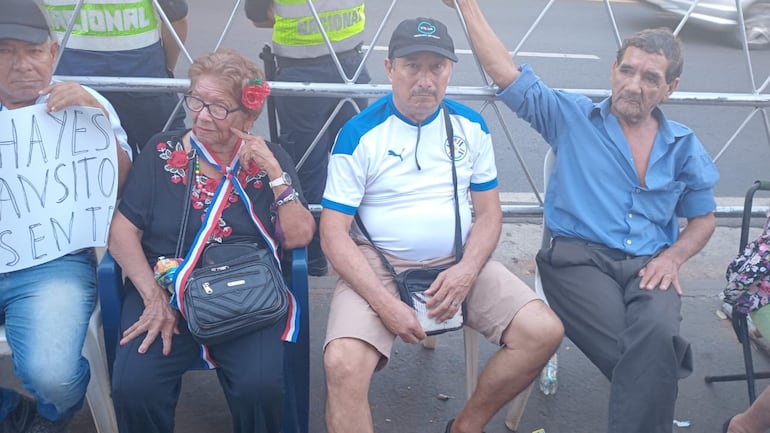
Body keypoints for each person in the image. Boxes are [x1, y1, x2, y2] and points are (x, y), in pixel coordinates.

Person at [450, 1, 720, 432]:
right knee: (653, 354)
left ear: (670, 88)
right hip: (577, 262)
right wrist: (466, 4)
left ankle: (664, 363)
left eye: (650, 78)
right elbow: (504, 72)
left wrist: (674, 258)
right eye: (627, 71)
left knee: (652, 341)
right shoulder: (571, 116)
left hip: (651, 267)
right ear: (613, 70)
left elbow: (704, 218)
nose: (634, 85)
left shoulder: (683, 145)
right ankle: (667, 364)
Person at [320, 17, 564, 433]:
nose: (425, 80)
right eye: (412, 65)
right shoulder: (359, 134)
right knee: (342, 364)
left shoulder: (471, 126)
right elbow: (332, 233)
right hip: (380, 263)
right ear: (389, 68)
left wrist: (467, 271)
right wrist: (384, 304)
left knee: (543, 331)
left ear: (451, 70)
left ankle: (466, 425)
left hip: (457, 258)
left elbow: (489, 214)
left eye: (437, 67)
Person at [107, 48, 315, 433]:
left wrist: (274, 173)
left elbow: (300, 236)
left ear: (248, 115)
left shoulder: (272, 158)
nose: (201, 116)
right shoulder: (161, 151)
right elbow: (121, 232)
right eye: (196, 101)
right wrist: (153, 298)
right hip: (165, 288)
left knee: (260, 388)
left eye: (218, 107)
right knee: (134, 387)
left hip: (244, 292)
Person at [0, 0, 132, 432]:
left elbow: (121, 186)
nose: (22, 65)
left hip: (52, 262)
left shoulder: (84, 104)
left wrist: (94, 117)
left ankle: (52, 412)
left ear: (53, 54)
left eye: (33, 51)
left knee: (53, 377)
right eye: (5, 50)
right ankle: (10, 411)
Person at [245, 0, 371, 276]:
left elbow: (258, 16)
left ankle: (313, 253)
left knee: (307, 168)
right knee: (358, 159)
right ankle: (366, 245)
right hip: (350, 66)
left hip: (300, 71)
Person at [42, 0, 190, 156]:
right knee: (169, 162)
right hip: (146, 80)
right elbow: (177, 17)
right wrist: (166, 68)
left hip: (73, 88)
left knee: (94, 167)